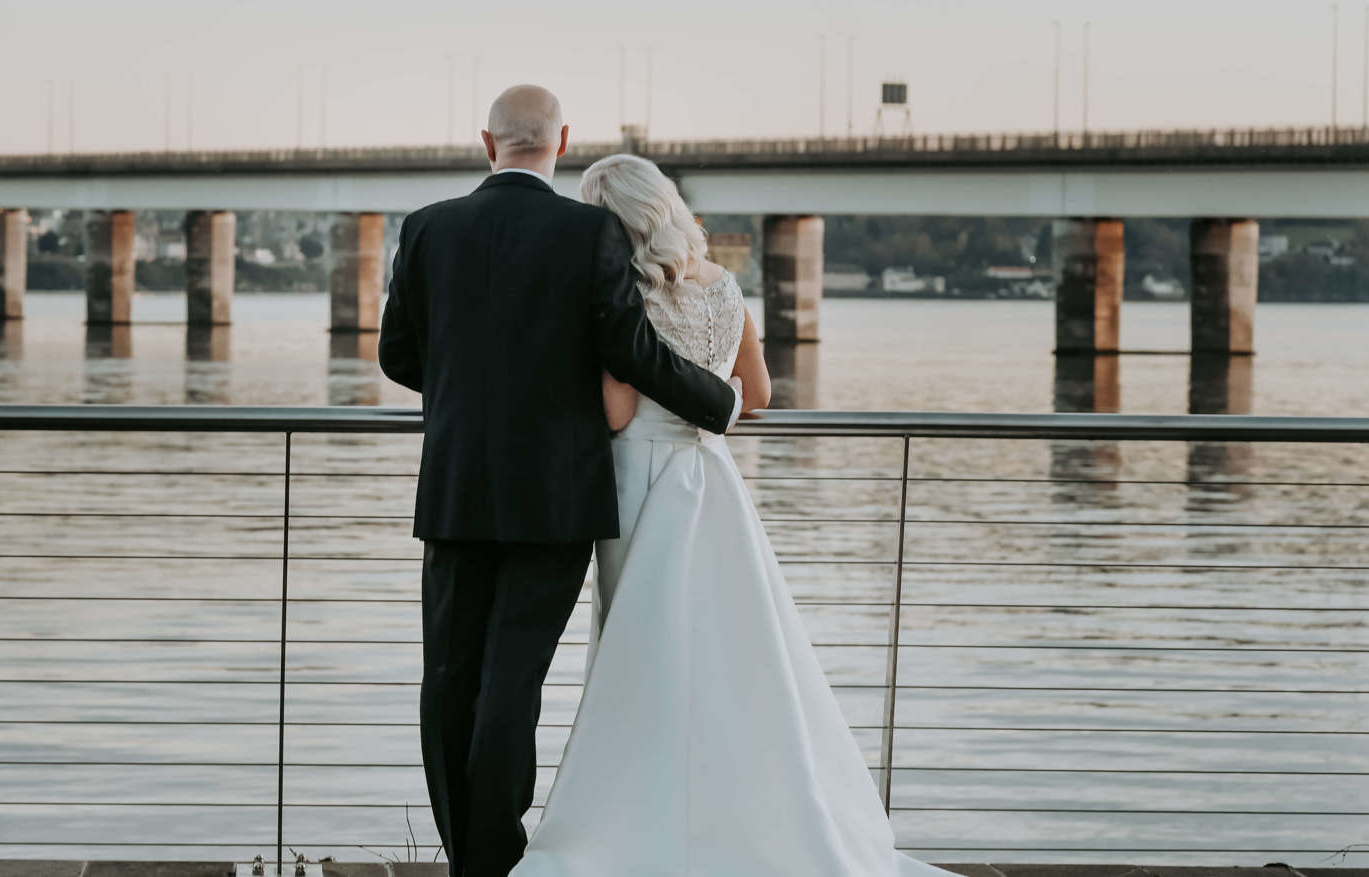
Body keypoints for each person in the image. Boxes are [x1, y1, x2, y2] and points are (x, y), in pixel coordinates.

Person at [508, 154, 963, 877]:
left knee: (642, 650)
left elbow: (618, 414)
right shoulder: (725, 286)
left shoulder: (622, 295)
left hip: (640, 484)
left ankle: (640, 817)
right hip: (712, 480)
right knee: (733, 651)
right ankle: (742, 814)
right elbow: (757, 393)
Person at [377, 85, 743, 877]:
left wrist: (466, 391)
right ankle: (496, 858)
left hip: (456, 485)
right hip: (555, 493)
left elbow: (397, 357)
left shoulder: (427, 227)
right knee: (513, 683)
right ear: (562, 141)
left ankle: (468, 856)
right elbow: (633, 352)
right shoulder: (590, 232)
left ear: (488, 143)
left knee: (448, 677)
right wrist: (719, 403)